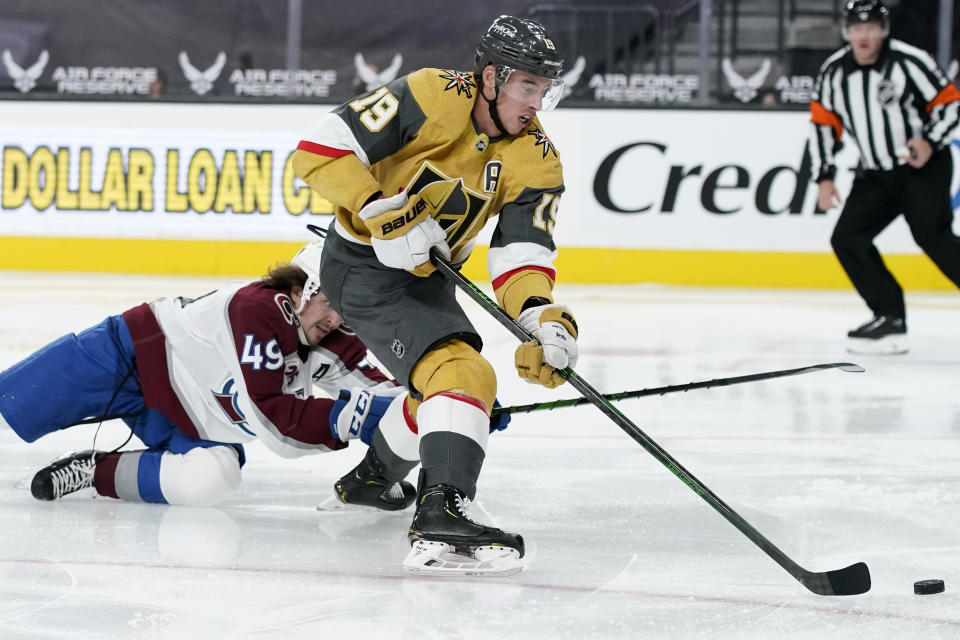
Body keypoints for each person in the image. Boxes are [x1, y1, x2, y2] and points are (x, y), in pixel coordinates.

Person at [292, 15, 577, 576]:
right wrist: (377, 209)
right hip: (361, 267)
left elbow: (522, 255)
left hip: (428, 279)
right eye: (528, 86)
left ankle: (372, 481)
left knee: (453, 397)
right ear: (490, 78)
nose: (537, 104)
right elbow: (317, 149)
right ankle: (443, 514)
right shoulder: (429, 94)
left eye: (546, 90)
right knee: (464, 377)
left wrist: (543, 319)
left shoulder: (538, 158)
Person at [0, 241, 421, 511]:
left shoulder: (331, 335)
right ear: (300, 289)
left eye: (344, 310)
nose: (334, 319)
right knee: (14, 400)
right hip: (131, 355)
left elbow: (392, 395)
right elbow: (276, 422)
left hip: (191, 418)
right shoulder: (258, 309)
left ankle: (96, 471)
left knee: (211, 480)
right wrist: (358, 417)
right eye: (329, 302)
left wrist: (448, 401)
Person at [808, 0, 960, 355]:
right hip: (875, 173)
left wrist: (930, 141)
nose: (864, 35)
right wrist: (824, 177)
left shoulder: (909, 61)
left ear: (884, 30)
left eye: (872, 27)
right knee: (848, 239)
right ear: (847, 31)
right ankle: (889, 316)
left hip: (922, 167)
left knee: (932, 236)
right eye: (858, 28)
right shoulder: (833, 72)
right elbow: (824, 125)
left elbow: (950, 103)